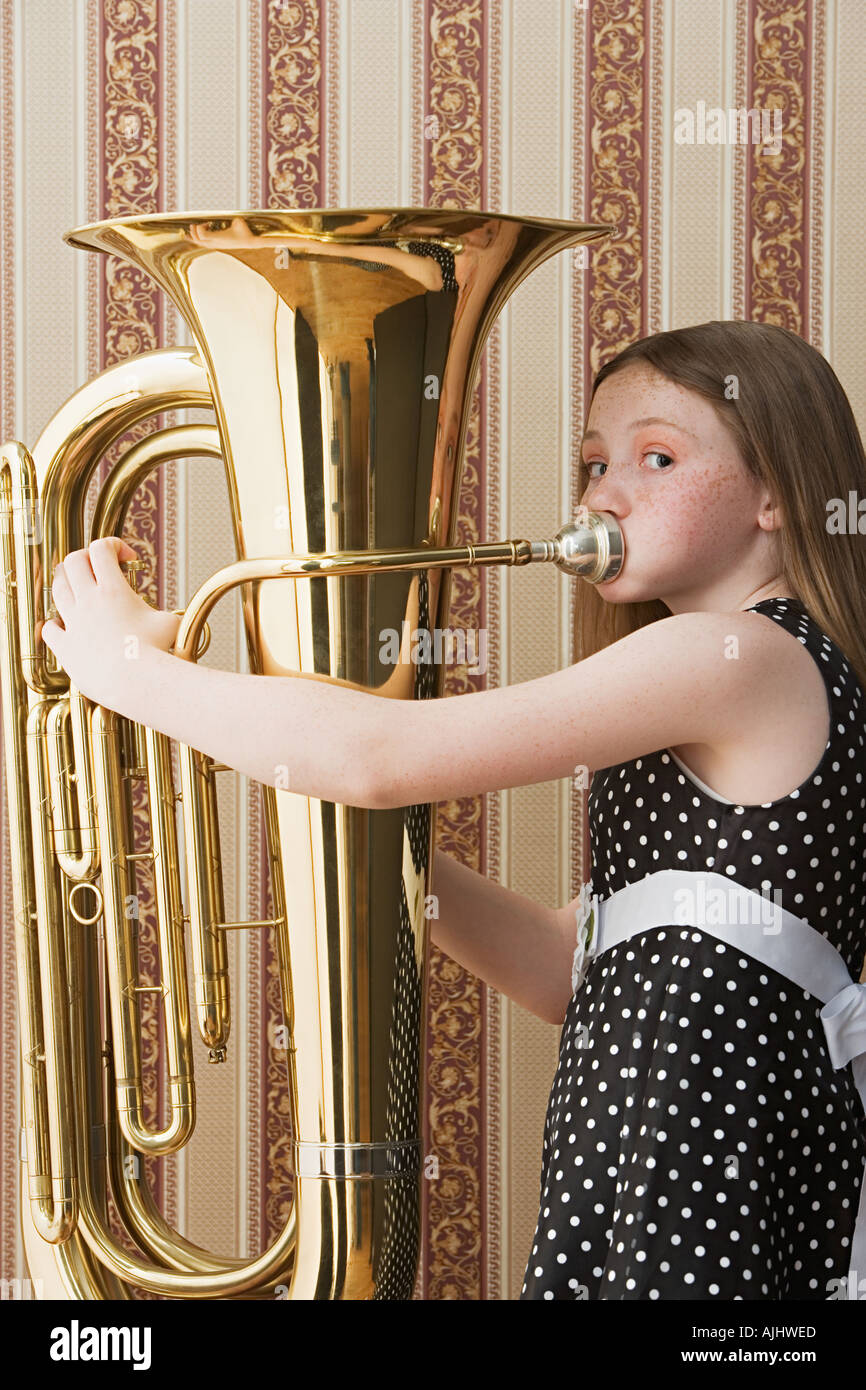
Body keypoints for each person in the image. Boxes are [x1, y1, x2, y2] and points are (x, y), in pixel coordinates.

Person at [40, 319, 866, 1301]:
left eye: (656, 456)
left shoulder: (734, 655)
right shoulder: (721, 668)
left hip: (698, 1131)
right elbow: (570, 965)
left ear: (774, 493)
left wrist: (125, 669)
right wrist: (360, 830)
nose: (605, 491)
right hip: (653, 1127)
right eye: (593, 463)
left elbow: (379, 757)